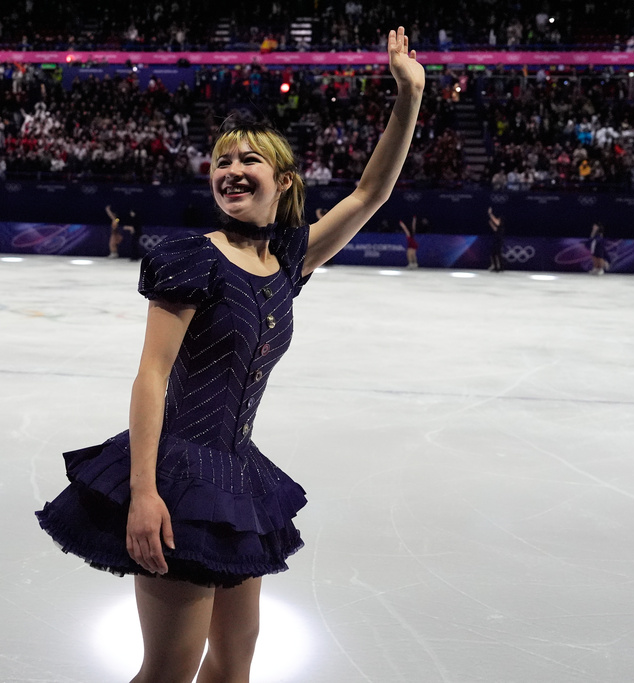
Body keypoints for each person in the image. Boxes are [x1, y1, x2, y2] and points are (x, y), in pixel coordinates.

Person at [36, 26, 424, 683]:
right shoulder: (193, 258)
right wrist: (143, 493)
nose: (231, 171)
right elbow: (151, 375)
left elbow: (369, 194)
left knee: (233, 666)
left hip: (237, 480)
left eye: (248, 161)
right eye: (221, 162)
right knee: (169, 670)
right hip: (176, 476)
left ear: (283, 180)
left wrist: (408, 95)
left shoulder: (286, 260)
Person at [487, 206, 504, 272]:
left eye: (498, 219)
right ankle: (498, 267)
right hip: (497, 240)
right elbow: (495, 229)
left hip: (499, 241)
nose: (497, 219)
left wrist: (490, 213)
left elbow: (495, 220)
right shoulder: (499, 227)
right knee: (494, 254)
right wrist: (491, 224)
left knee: (497, 254)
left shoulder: (501, 224)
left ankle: (499, 268)